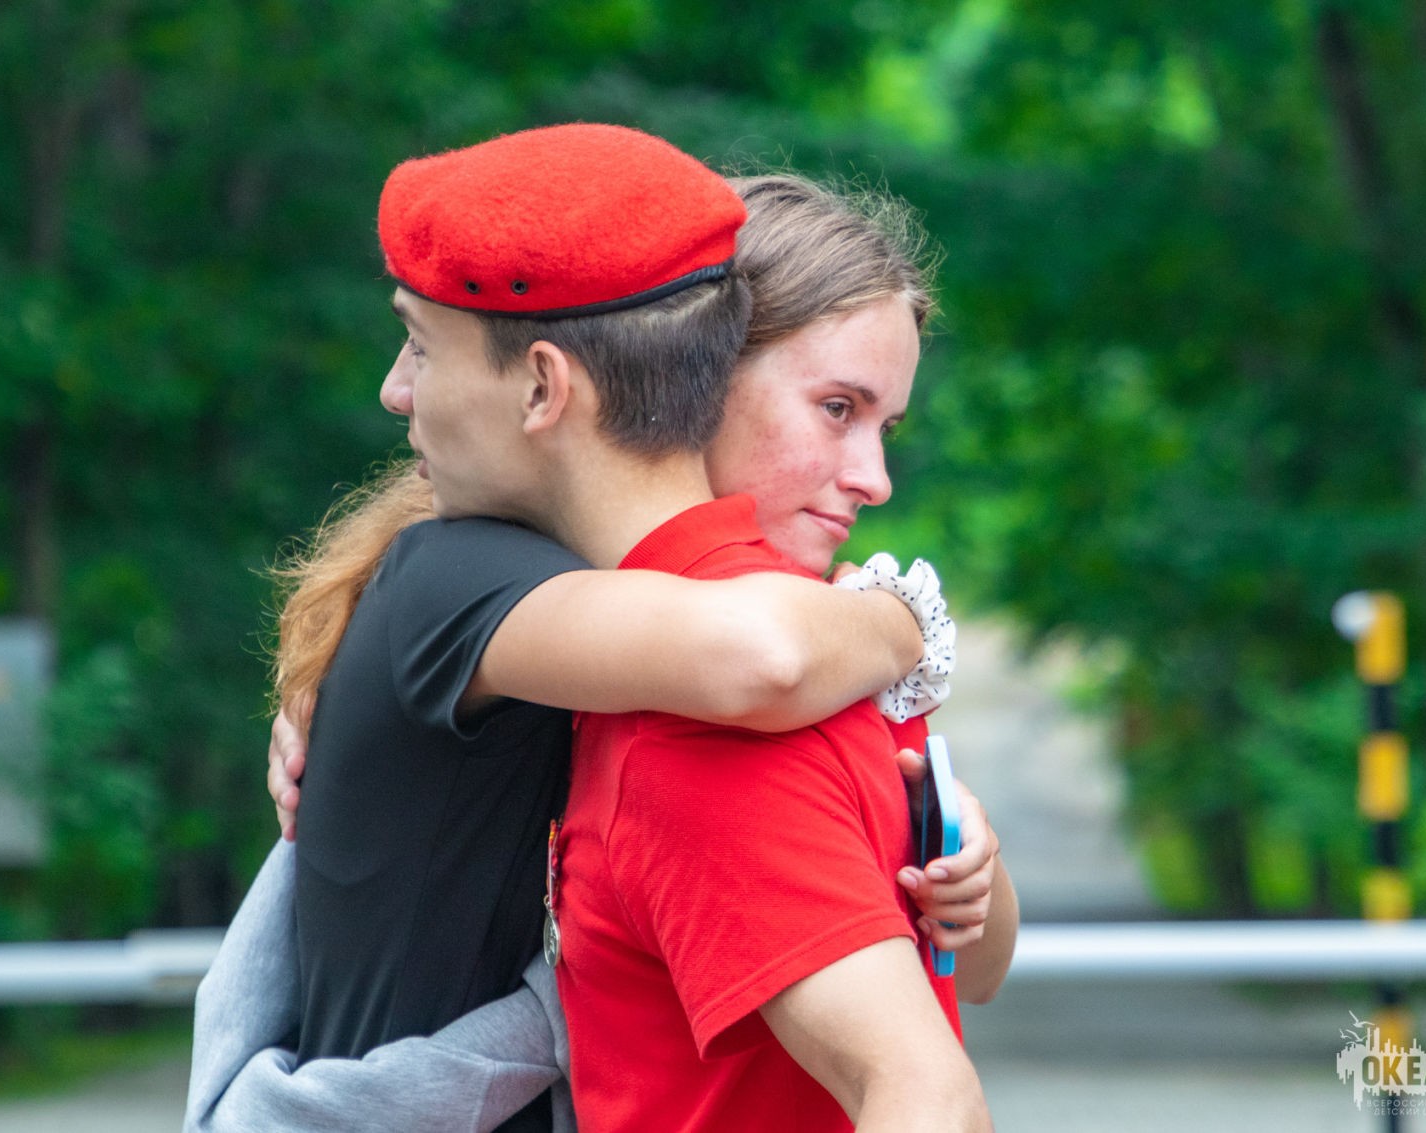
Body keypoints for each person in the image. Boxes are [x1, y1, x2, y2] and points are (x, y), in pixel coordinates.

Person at [188, 128, 1013, 1133]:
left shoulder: (748, 656)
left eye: (880, 422)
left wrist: (961, 847)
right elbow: (761, 659)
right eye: (835, 407)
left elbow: (957, 996)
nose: (874, 477)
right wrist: (906, 619)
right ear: (701, 376)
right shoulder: (707, 655)